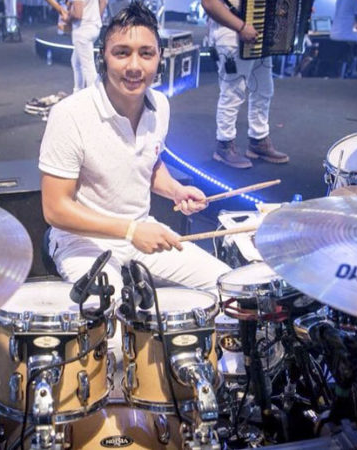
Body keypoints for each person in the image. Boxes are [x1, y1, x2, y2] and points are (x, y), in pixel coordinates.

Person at [39, 2, 230, 300]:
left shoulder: (160, 105)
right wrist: (130, 231)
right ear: (103, 56)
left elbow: (149, 163)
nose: (134, 66)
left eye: (146, 53)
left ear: (159, 57)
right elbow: (55, 208)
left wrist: (176, 190)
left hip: (140, 230)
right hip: (82, 241)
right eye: (122, 53)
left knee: (227, 287)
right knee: (111, 312)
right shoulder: (70, 114)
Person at [202, 0, 290, 169]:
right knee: (233, 93)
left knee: (263, 89)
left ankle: (258, 140)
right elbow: (209, 3)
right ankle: (224, 144)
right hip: (231, 34)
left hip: (257, 31)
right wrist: (241, 27)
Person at [46, 0, 107, 91]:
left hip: (82, 30)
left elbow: (78, 14)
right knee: (76, 62)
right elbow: (104, 2)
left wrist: (67, 18)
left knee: (88, 66)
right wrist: (97, 18)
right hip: (94, 27)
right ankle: (78, 91)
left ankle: (94, 94)